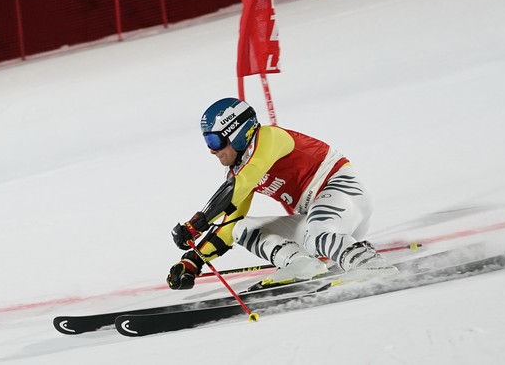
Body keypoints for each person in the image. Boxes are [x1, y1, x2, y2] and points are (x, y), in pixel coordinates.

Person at [167, 97, 397, 290]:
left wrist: (196, 223)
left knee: (317, 232)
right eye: (207, 141)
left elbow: (242, 183)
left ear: (237, 133)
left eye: (214, 140)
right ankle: (300, 265)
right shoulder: (238, 171)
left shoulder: (268, 137)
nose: (211, 150)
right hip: (318, 218)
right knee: (240, 227)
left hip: (343, 193)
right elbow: (229, 223)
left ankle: (369, 264)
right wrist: (193, 261)